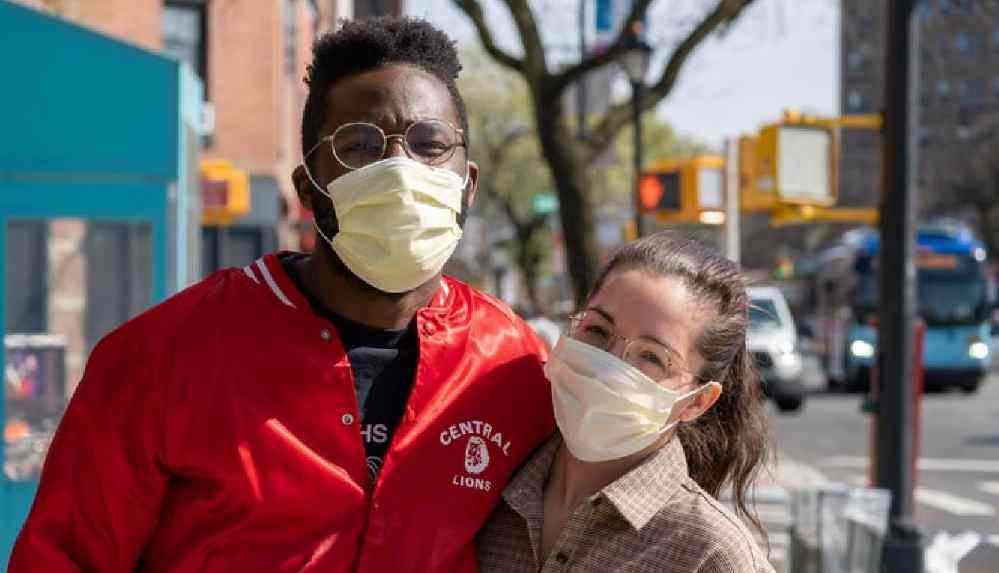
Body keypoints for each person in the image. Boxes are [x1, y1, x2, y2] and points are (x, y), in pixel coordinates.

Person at [10, 17, 554, 573]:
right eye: (359, 145)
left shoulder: (513, 364)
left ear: (469, 183)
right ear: (306, 187)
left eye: (430, 144)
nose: (400, 171)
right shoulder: (163, 357)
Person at [477, 232, 775, 573]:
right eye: (598, 331)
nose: (610, 366)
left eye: (651, 356)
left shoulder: (710, 555)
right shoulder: (484, 489)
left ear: (698, 401)